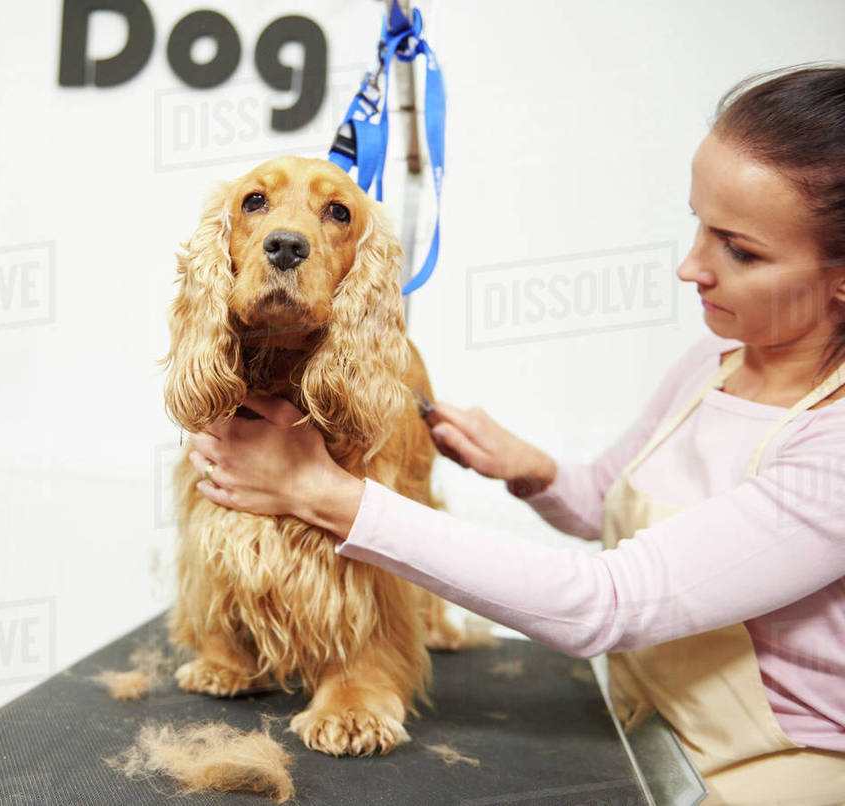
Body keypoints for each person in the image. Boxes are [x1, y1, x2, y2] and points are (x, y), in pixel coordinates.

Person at [185, 65, 845, 804]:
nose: (691, 266)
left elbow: (610, 603)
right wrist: (526, 467)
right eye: (697, 223)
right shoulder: (720, 360)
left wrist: (321, 492)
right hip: (637, 729)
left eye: (740, 250)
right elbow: (607, 505)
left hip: (763, 778)